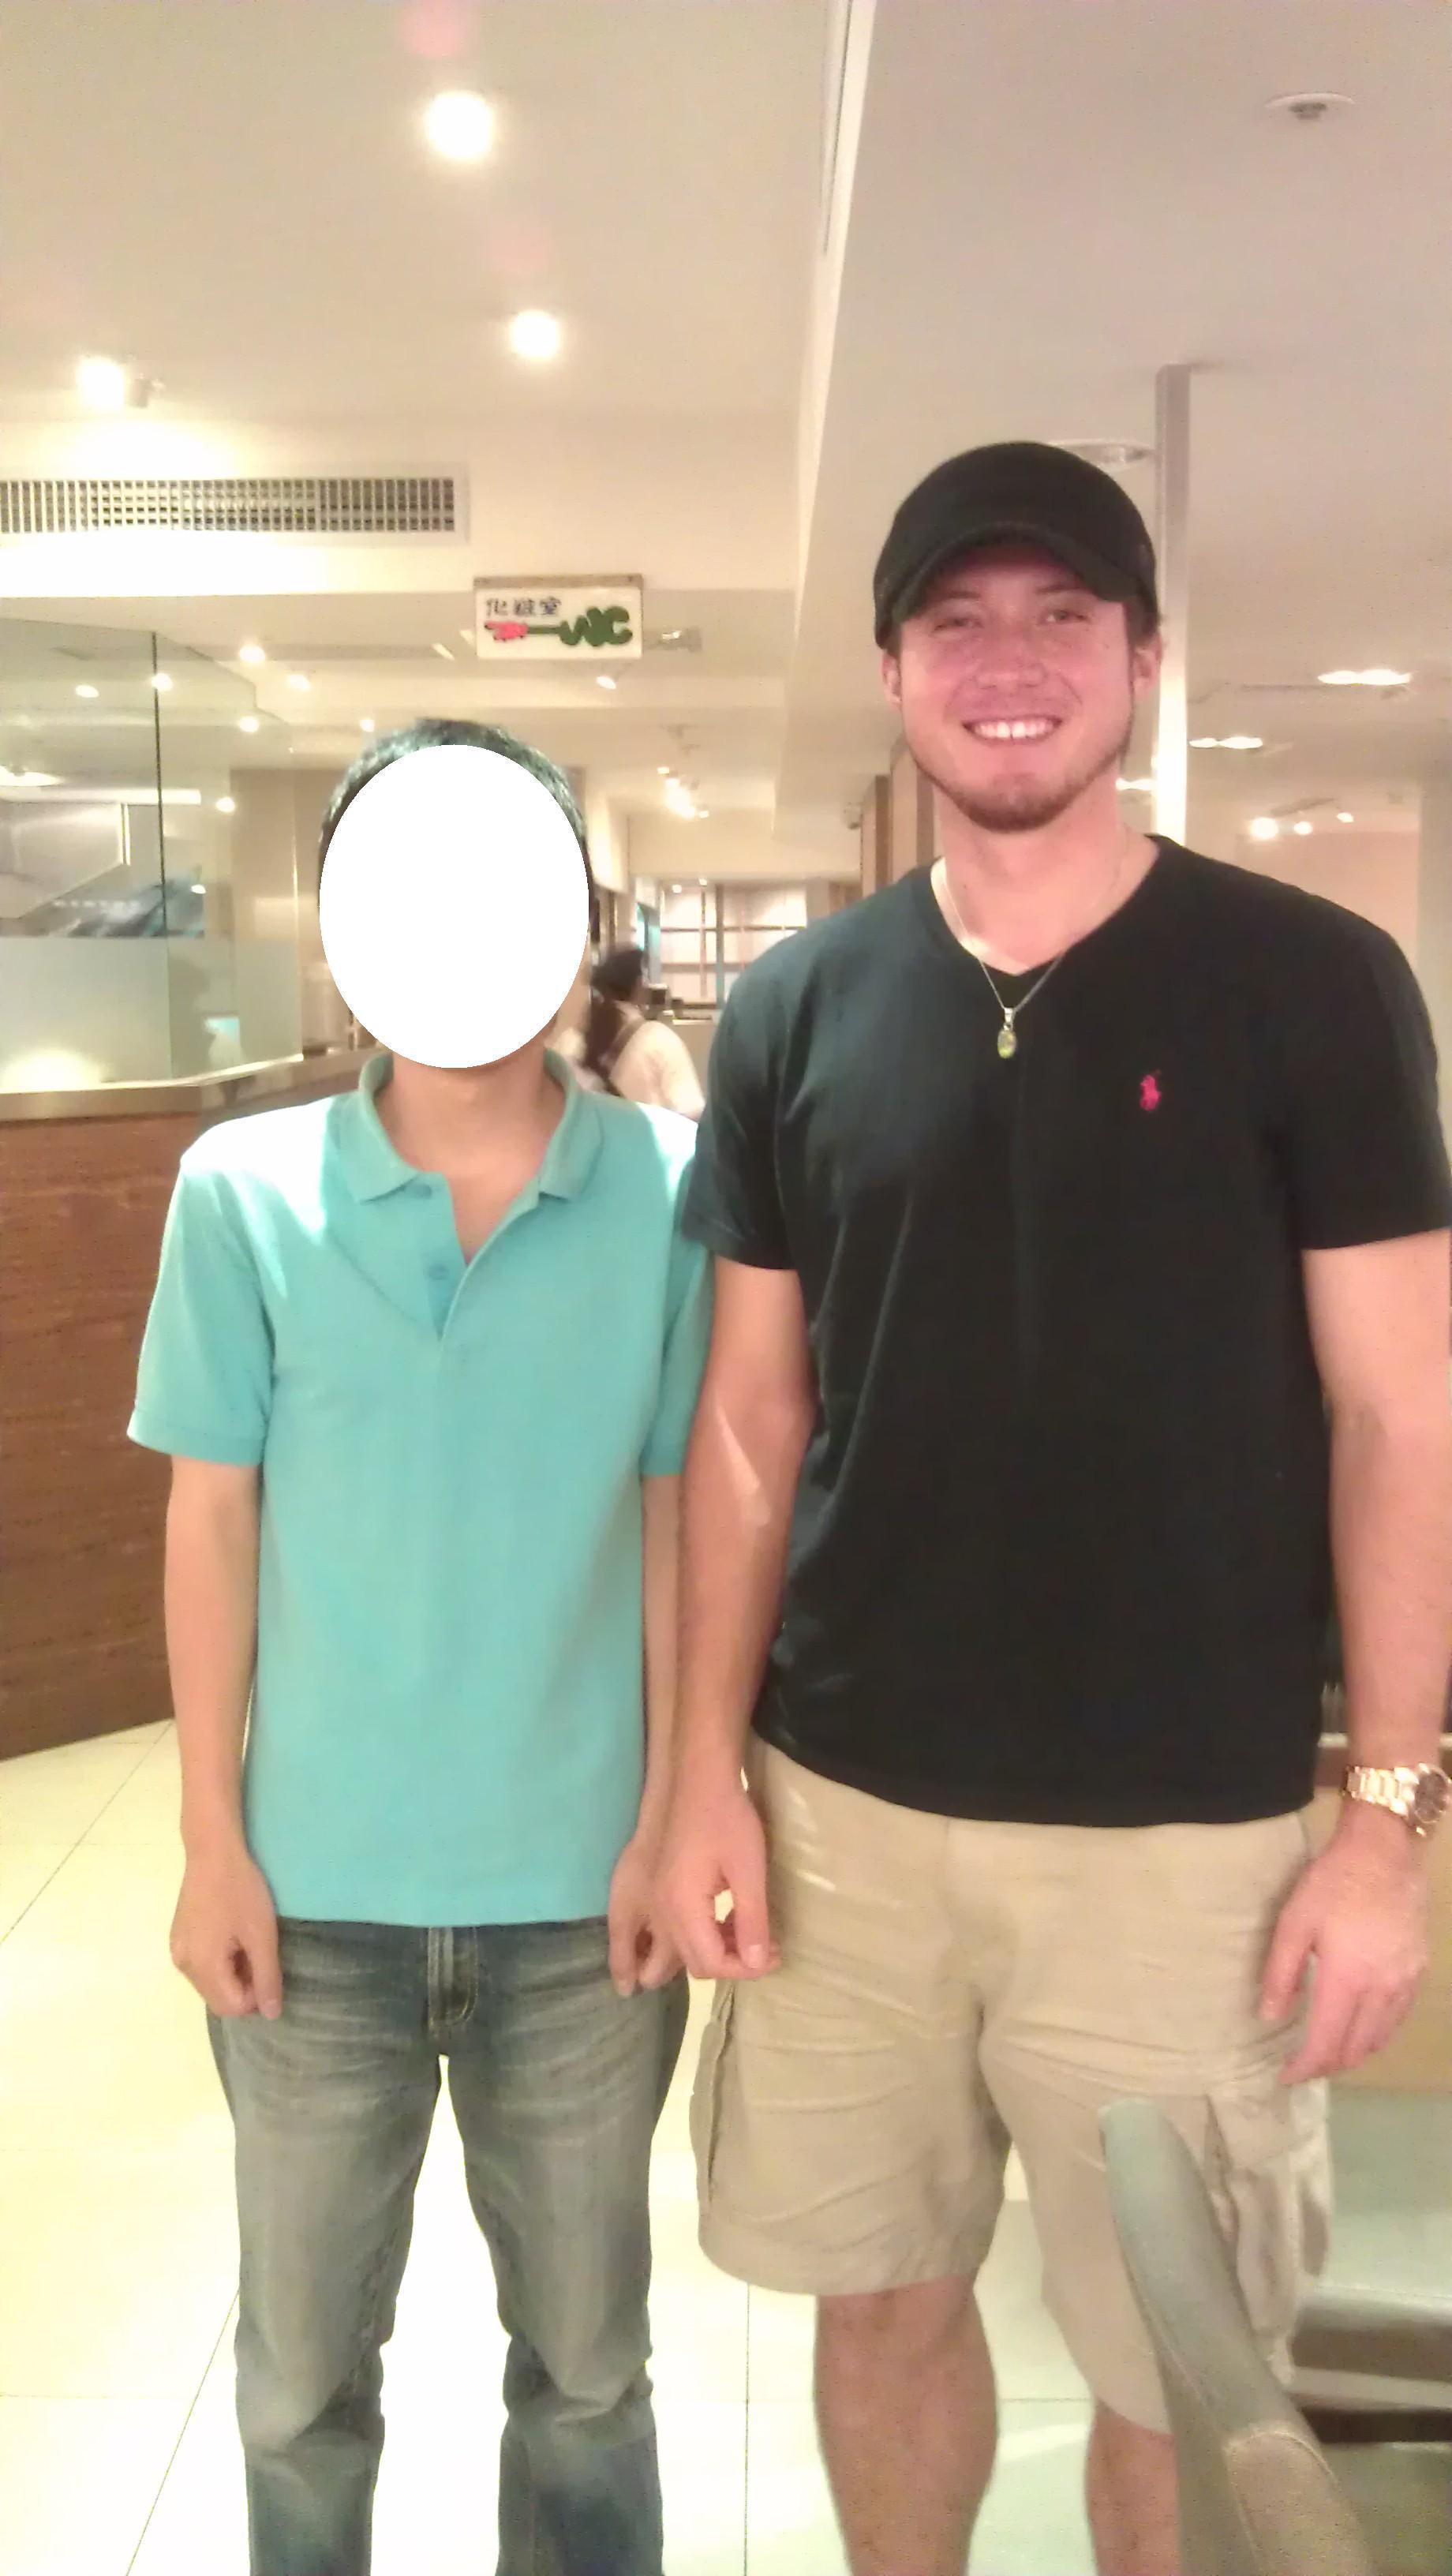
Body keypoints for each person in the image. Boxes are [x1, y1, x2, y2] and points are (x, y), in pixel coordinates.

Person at [657, 442, 1452, 2576]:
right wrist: (699, 1777)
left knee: (1172, 2370)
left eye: (1060, 617)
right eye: (957, 622)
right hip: (847, 1814)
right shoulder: (798, 1009)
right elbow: (748, 1417)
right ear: (891, 670)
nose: (1006, 662)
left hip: (1185, 1839)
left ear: (1140, 658)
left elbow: (1399, 1415)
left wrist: (1384, 1821)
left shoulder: (1307, 983)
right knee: (877, 2300)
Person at [129, 718, 709, 2576]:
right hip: (313, 1904)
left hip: (580, 1899)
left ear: (570, 924)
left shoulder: (673, 1190)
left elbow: (677, 1521)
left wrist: (668, 1822)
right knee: (299, 2390)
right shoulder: (242, 1192)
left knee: (589, 2380)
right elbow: (212, 1521)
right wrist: (211, 1841)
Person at [563, 944, 705, 1118]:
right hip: (646, 1135)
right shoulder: (658, 1039)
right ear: (639, 986)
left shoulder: (570, 1042)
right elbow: (691, 1111)